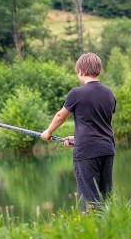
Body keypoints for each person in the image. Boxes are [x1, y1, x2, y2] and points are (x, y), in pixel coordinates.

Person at [40, 52, 116, 211]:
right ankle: (108, 227)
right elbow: (99, 123)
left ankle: (92, 229)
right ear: (99, 71)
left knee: (89, 197)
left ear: (80, 71)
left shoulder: (77, 93)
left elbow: (61, 115)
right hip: (107, 149)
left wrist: (47, 132)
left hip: (87, 152)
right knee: (105, 195)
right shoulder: (109, 93)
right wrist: (77, 139)